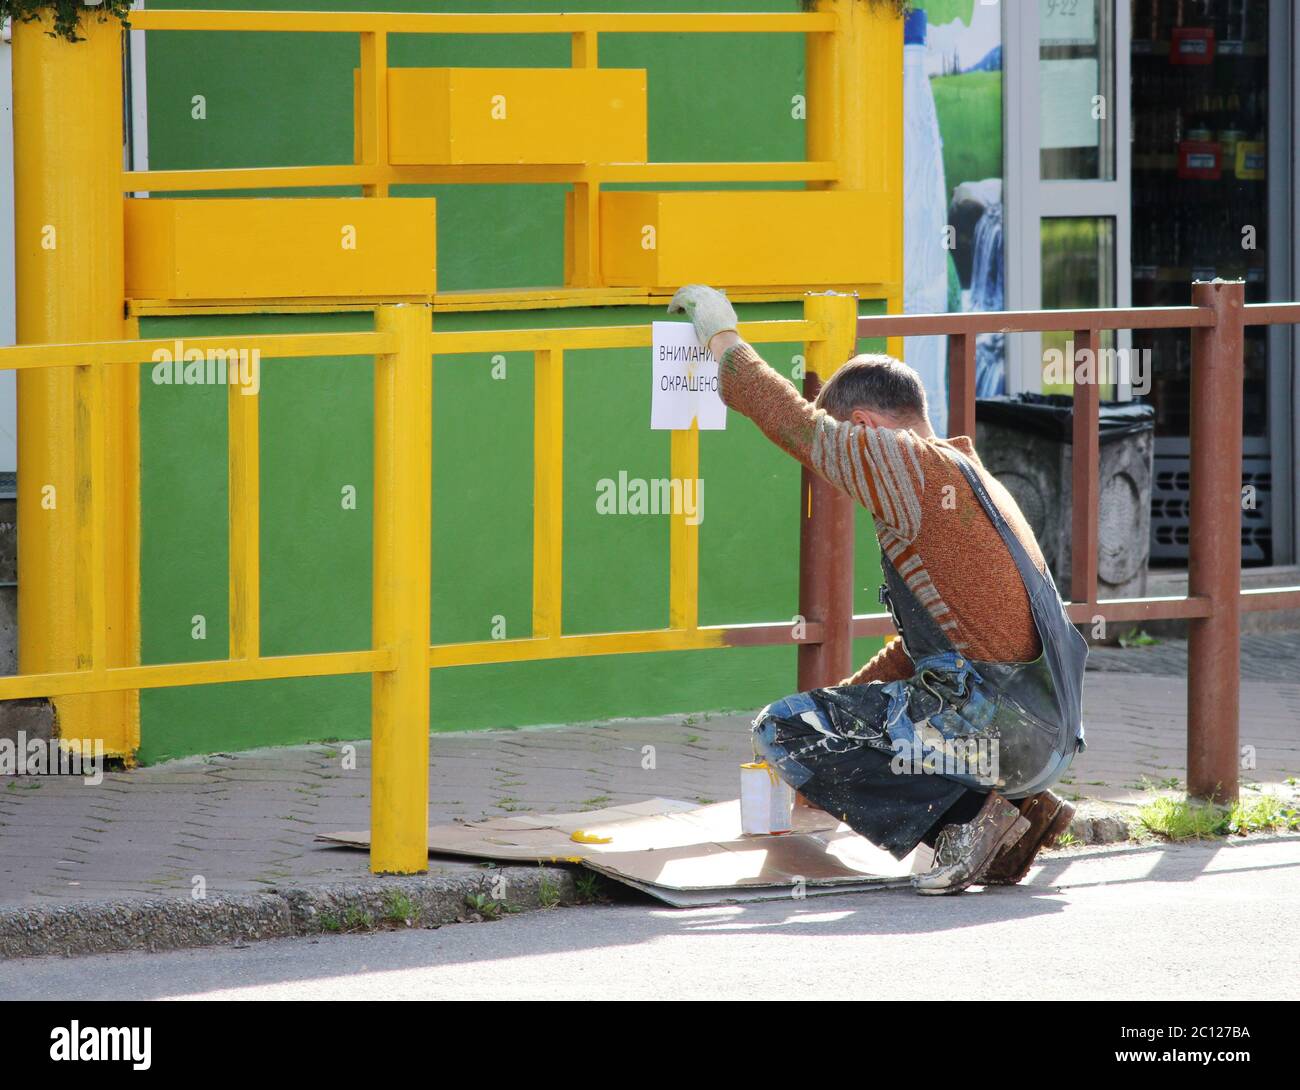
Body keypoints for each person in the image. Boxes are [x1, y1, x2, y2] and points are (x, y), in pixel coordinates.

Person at [668, 285, 1088, 894]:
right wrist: (836, 732)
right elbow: (925, 656)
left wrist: (720, 336)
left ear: (865, 427)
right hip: (1041, 730)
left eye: (847, 444)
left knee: (780, 728)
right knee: (816, 725)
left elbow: (793, 423)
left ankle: (967, 824)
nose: (841, 472)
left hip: (1003, 729)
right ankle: (1021, 817)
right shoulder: (969, 477)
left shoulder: (902, 462)